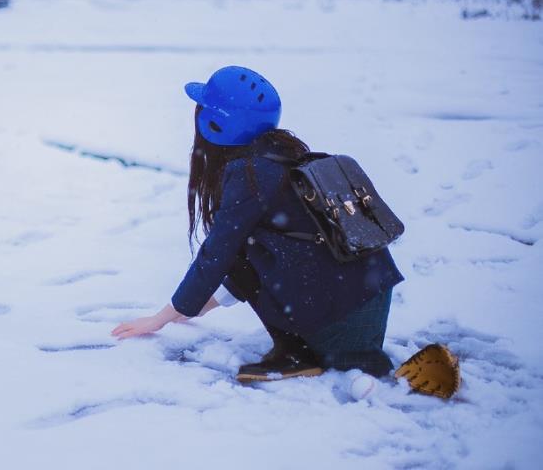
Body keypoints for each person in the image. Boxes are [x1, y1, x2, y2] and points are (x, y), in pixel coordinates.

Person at [111, 66, 405, 382]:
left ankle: (297, 354)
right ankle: (305, 347)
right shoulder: (280, 153)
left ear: (216, 123)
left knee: (240, 242)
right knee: (249, 242)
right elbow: (263, 259)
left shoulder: (251, 174)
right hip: (363, 307)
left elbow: (217, 255)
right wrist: (194, 308)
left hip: (343, 329)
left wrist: (160, 319)